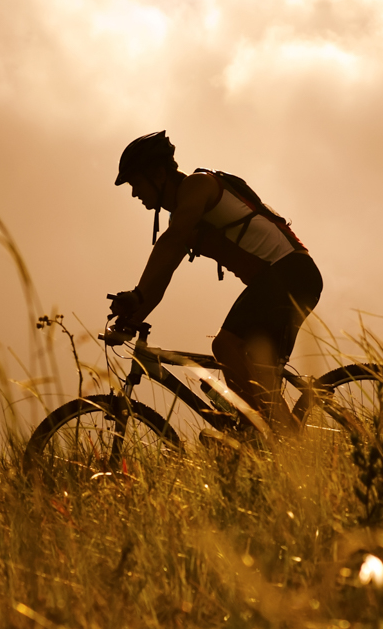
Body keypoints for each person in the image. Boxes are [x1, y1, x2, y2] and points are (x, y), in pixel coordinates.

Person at [107, 131, 323, 436]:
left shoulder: (199, 185)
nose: (134, 193)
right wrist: (132, 319)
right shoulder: (186, 217)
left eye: (136, 183)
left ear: (158, 174)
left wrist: (137, 295)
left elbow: (169, 245)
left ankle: (261, 433)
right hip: (288, 278)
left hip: (288, 272)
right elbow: (163, 273)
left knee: (225, 345)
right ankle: (287, 446)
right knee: (259, 379)